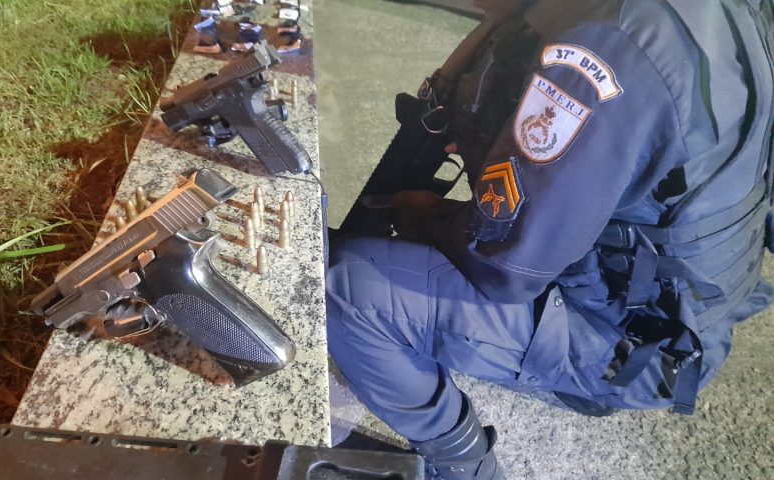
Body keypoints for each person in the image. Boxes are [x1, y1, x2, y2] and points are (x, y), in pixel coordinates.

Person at [326, 0, 774, 479]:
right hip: (675, 301)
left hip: (631, 340)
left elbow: (503, 270)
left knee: (348, 291)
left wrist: (432, 217)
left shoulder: (609, 42)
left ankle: (464, 466)